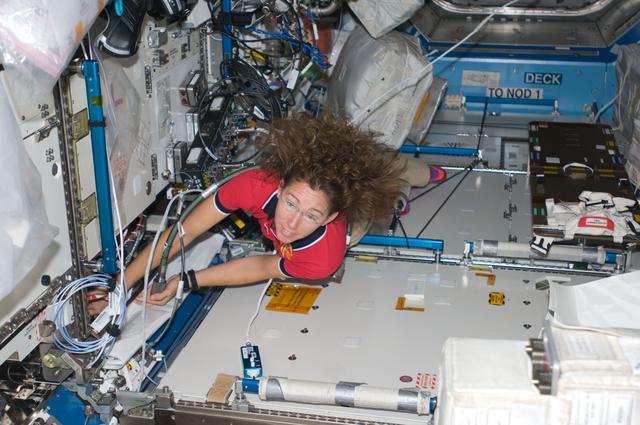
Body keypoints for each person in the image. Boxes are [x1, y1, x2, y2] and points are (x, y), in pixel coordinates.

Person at [90, 112, 411, 310]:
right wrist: (119, 287)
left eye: (311, 216)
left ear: (329, 218)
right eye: (291, 203)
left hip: (352, 226)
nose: (291, 224)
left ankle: (420, 172)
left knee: (399, 176)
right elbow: (184, 233)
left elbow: (262, 266)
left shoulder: (323, 260)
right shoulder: (253, 185)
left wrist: (188, 280)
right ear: (280, 187)